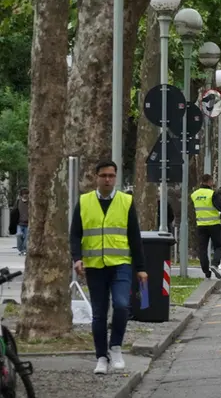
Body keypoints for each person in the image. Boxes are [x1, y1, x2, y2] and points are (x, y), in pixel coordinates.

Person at [69, 160, 147, 374]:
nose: (107, 179)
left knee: (122, 305)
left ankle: (116, 347)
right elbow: (76, 233)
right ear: (96, 177)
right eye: (103, 175)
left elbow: (134, 236)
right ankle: (101, 357)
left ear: (116, 178)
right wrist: (77, 258)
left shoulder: (126, 201)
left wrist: (141, 267)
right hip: (94, 266)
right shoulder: (84, 202)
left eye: (111, 176)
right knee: (99, 314)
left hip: (121, 265)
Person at [191, 174, 221, 279]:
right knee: (219, 246)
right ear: (210, 182)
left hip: (201, 225)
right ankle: (215, 264)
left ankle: (206, 271)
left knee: (202, 249)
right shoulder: (212, 194)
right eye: (212, 181)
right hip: (214, 224)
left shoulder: (194, 194)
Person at [9, 188, 28, 255]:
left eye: (26, 194)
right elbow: (14, 212)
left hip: (28, 224)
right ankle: (21, 249)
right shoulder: (18, 202)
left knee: (26, 238)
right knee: (19, 236)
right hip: (19, 223)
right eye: (24, 194)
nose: (25, 196)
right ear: (21, 195)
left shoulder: (31, 202)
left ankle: (24, 250)